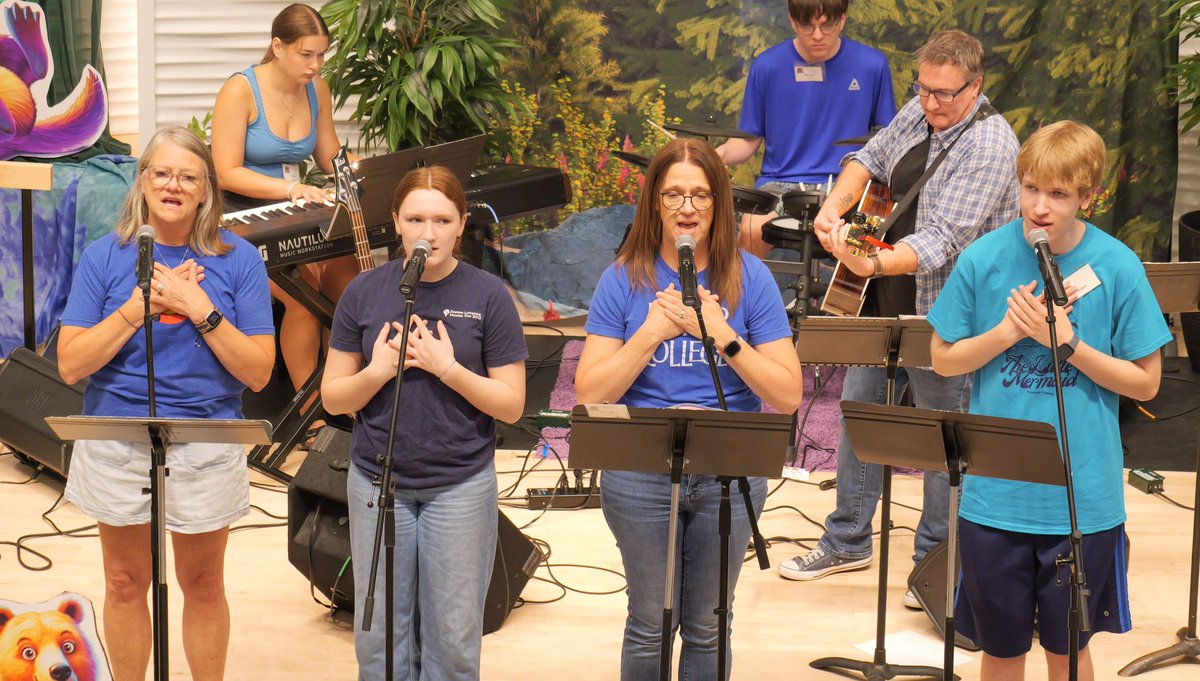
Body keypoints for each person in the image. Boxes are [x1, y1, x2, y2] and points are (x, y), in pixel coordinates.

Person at [780, 31, 1020, 602]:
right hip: (882, 297)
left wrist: (861, 257)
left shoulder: (991, 146)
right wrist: (834, 211)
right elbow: (870, 157)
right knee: (860, 414)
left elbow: (940, 241)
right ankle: (847, 541)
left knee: (943, 437)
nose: (930, 103)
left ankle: (934, 562)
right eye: (923, 89)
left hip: (949, 313)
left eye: (944, 94)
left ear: (975, 87)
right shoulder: (922, 107)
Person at [927, 121, 1171, 680]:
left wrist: (1070, 344)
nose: (1039, 206)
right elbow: (943, 358)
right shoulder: (983, 259)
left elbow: (1146, 382)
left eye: (1058, 194)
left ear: (1089, 197)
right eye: (1030, 188)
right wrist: (1008, 335)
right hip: (996, 500)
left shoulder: (1117, 266)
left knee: (1067, 652)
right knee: (1001, 651)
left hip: (1082, 502)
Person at [575, 137, 803, 679]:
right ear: (654, 201)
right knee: (649, 622)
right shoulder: (623, 278)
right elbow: (589, 392)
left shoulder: (752, 278)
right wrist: (650, 333)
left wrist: (722, 333)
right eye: (674, 194)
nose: (687, 208)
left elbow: (788, 394)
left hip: (728, 472)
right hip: (641, 474)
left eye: (700, 195)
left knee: (708, 625)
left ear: (719, 204)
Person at [57, 126, 276, 681]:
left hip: (206, 436)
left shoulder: (241, 260)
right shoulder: (104, 257)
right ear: (143, 181)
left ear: (206, 191)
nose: (174, 185)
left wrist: (197, 305)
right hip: (117, 436)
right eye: (162, 172)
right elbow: (70, 364)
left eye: (188, 176)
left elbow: (258, 371)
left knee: (202, 583)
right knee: (125, 581)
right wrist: (139, 308)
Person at [322, 166, 528, 680]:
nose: (428, 233)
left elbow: (511, 405)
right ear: (396, 222)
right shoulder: (364, 292)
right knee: (379, 639)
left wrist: (448, 368)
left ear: (461, 226)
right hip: (377, 482)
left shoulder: (488, 296)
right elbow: (332, 398)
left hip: (458, 486)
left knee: (454, 641)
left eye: (442, 219)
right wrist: (375, 371)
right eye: (416, 218)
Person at [211, 3, 358, 435]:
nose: (315, 65)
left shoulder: (318, 90)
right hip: (242, 215)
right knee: (305, 297)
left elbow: (329, 154)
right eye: (306, 55)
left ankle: (347, 399)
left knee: (352, 290)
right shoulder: (240, 90)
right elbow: (225, 170)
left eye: (321, 55)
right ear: (278, 46)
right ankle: (312, 417)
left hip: (298, 210)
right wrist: (289, 189)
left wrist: (361, 167)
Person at [715, 0, 895, 258]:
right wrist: (718, 156)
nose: (818, 35)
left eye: (827, 25)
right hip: (781, 184)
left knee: (864, 238)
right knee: (752, 231)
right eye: (807, 26)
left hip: (846, 184)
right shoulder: (767, 66)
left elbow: (887, 138)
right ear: (792, 21)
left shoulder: (872, 65)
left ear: (842, 19)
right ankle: (751, 298)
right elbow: (748, 139)